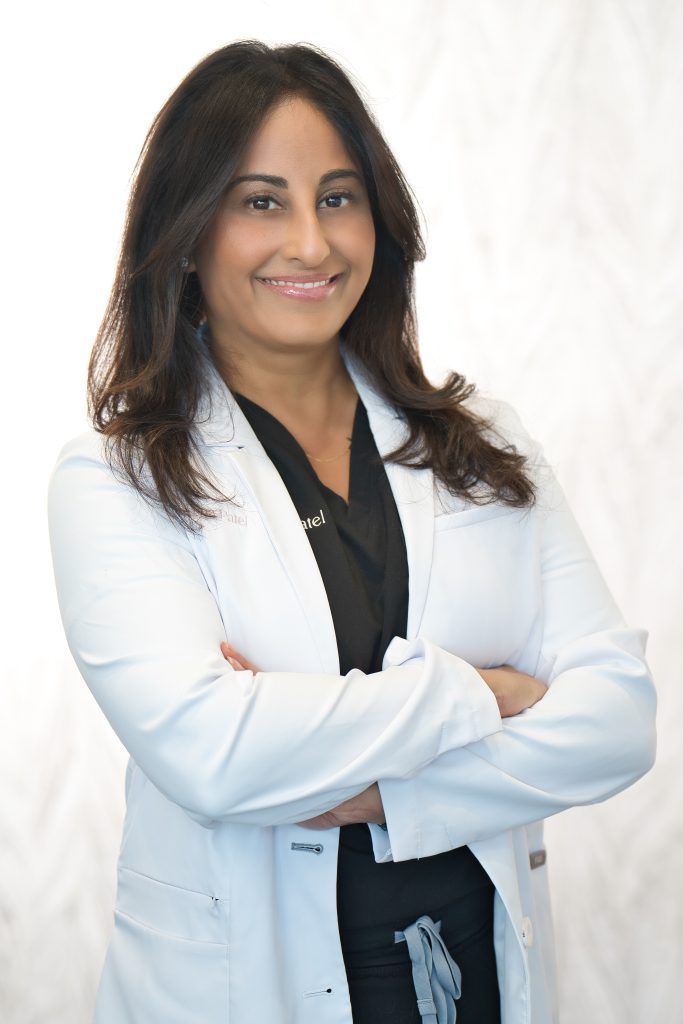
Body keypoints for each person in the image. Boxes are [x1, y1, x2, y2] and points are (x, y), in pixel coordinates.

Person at [47, 40, 656, 1024]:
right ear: (187, 232)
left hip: (480, 985)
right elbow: (214, 753)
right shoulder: (117, 481)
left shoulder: (481, 447)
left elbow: (617, 721)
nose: (310, 242)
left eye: (337, 197)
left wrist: (383, 792)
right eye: (260, 202)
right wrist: (484, 694)